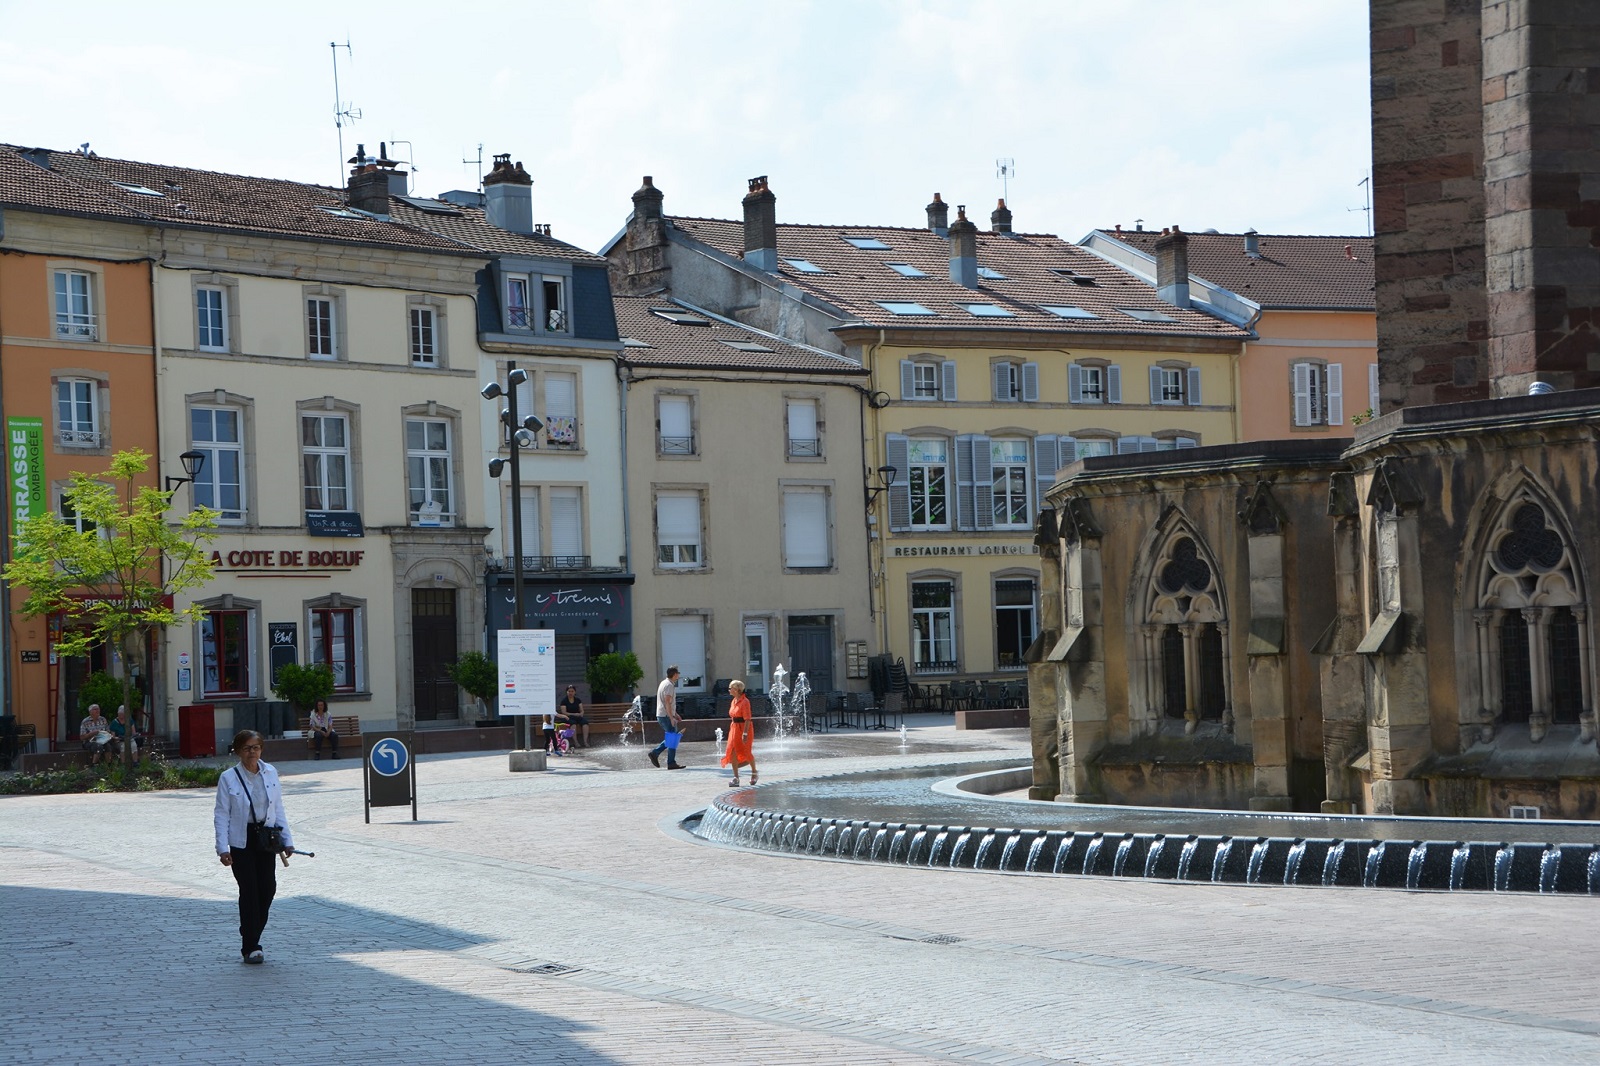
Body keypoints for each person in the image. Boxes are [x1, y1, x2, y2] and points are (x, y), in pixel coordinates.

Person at [214, 729, 294, 964]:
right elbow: (221, 814)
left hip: (266, 838)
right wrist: (222, 848)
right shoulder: (228, 777)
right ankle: (251, 946)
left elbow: (278, 808)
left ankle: (250, 930)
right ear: (238, 751)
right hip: (241, 839)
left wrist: (287, 840)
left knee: (268, 888)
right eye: (247, 748)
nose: (252, 752)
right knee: (249, 891)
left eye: (256, 747)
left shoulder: (270, 772)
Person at [721, 679, 758, 786]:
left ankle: (754, 772)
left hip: (744, 728)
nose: (729, 690)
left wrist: (745, 733)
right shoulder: (734, 701)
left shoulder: (745, 701)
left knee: (746, 751)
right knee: (732, 751)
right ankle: (736, 777)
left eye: (730, 688)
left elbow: (747, 719)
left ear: (737, 689)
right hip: (734, 728)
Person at [647, 666, 685, 769]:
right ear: (674, 674)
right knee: (673, 738)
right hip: (665, 716)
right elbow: (667, 702)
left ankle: (657, 755)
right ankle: (669, 761)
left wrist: (675, 714)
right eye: (678, 673)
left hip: (663, 715)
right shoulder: (669, 685)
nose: (679, 675)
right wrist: (671, 717)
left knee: (672, 737)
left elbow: (667, 703)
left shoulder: (664, 683)